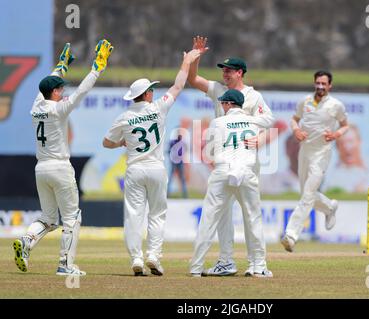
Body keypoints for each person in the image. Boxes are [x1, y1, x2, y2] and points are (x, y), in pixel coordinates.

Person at [13, 40, 114, 276]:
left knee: (48, 218)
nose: (63, 91)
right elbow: (82, 92)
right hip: (60, 168)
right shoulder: (58, 109)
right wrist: (97, 68)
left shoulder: (36, 106)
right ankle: (65, 265)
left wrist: (61, 66)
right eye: (60, 89)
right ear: (55, 92)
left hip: (41, 169)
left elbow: (46, 86)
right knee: (72, 217)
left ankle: (27, 241)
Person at [102, 49, 201, 276]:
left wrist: (121, 144)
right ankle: (153, 255)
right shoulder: (158, 108)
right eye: (151, 90)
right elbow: (177, 86)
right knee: (157, 214)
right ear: (146, 95)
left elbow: (106, 142)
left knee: (133, 215)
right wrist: (186, 61)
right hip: (156, 168)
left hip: (135, 169)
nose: (154, 93)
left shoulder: (124, 117)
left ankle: (136, 258)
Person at [188, 36, 275, 276]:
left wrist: (261, 139)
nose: (225, 74)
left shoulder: (253, 96)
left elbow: (271, 123)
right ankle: (226, 261)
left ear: (240, 73)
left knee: (249, 215)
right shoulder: (218, 90)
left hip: (247, 161)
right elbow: (192, 79)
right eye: (223, 70)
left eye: (229, 70)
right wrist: (195, 57)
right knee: (223, 215)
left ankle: (256, 263)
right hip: (225, 159)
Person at [281, 70, 349, 252]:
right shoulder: (305, 101)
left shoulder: (336, 105)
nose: (320, 86)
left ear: (330, 86)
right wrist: (296, 131)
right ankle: (329, 207)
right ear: (314, 83)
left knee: (308, 195)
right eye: (318, 83)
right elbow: (294, 120)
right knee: (306, 193)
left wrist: (336, 134)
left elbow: (345, 125)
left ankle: (291, 235)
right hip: (305, 152)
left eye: (324, 84)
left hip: (322, 153)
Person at [167, 132, 188, 198]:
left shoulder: (182, 143)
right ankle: (168, 193)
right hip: (174, 162)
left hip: (179, 162)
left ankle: (185, 194)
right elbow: (169, 151)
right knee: (171, 177)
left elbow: (184, 152)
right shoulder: (173, 142)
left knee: (182, 178)